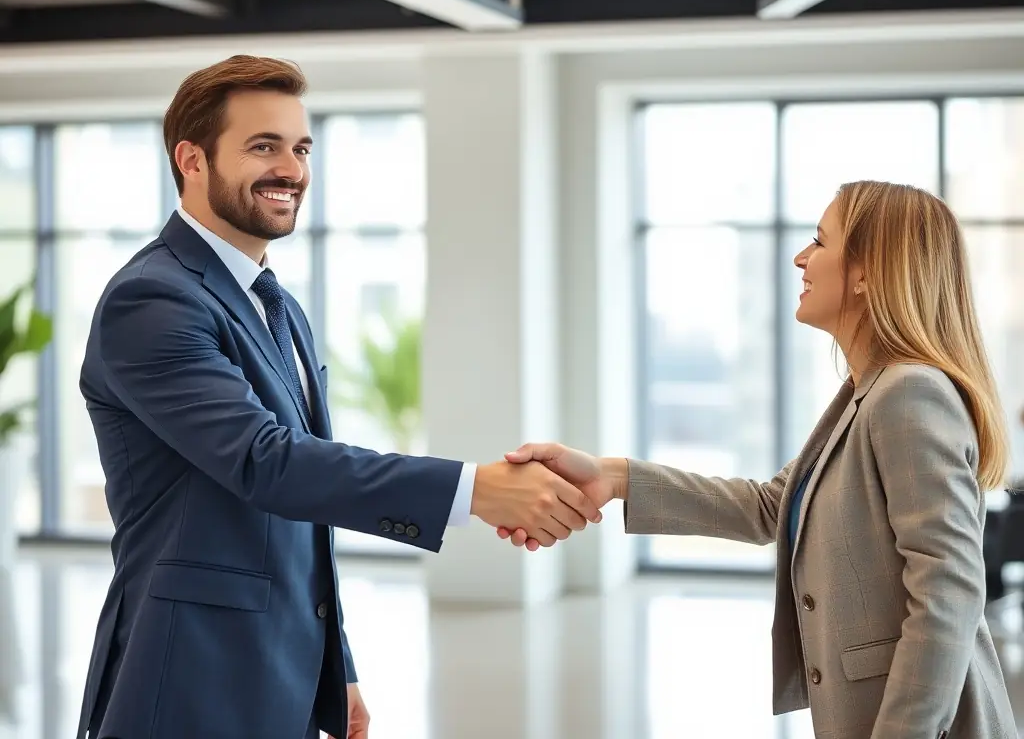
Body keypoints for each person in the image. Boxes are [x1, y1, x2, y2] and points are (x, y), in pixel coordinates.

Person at [75, 55, 602, 739]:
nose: (292, 170)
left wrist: (335, 665)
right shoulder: (152, 300)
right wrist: (475, 490)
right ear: (192, 159)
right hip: (189, 675)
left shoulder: (275, 304)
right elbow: (270, 463)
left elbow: (305, 507)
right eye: (263, 146)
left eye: (299, 148)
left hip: (283, 666)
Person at [499, 181, 1017, 738]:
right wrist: (614, 477)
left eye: (820, 242)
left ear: (867, 273)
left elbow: (951, 589)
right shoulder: (868, 393)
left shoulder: (908, 394)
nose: (801, 257)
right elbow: (775, 505)